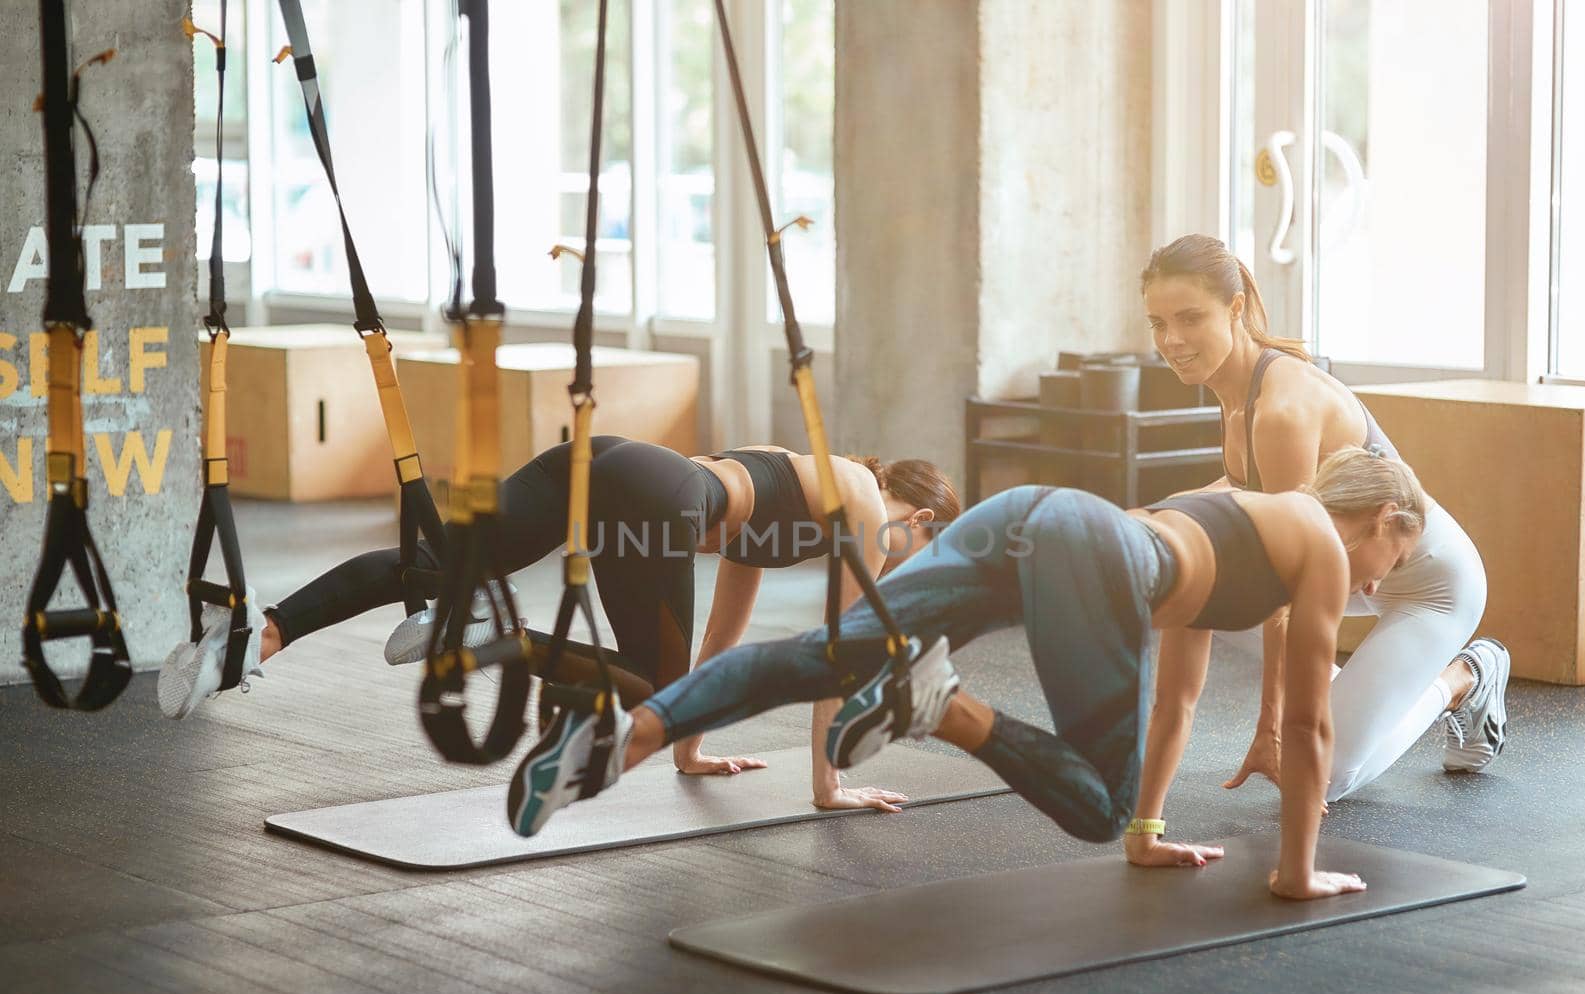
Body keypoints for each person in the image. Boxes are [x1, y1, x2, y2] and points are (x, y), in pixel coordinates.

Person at [509, 447, 1427, 900]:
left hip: (1033, 511)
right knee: (1091, 811)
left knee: (822, 654)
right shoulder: (1320, 549)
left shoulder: (1242, 506)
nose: (1382, 583)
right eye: (1398, 553)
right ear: (1384, 514)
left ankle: (628, 736)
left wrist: (1151, 830)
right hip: (1094, 551)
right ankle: (941, 705)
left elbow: (1178, 697)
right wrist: (1297, 871)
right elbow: (1311, 726)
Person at [158, 436, 959, 810]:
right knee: (648, 682)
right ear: (918, 516)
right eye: (923, 545)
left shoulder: (804, 488)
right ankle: (493, 636)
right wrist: (829, 789)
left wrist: (692, 751)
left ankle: (253, 637)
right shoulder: (857, 502)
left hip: (607, 461)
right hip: (654, 499)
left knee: (432, 569)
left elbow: (719, 641)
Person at [1140, 234, 1508, 802]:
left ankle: (1461, 679)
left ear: (1235, 309)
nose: (1172, 340)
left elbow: (1285, 579)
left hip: (1427, 582)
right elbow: (1246, 494)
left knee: (1321, 777)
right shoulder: (1233, 389)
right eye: (1158, 323)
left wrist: (1272, 726)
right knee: (1199, 585)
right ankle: (1370, 692)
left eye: (1190, 318)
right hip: (1348, 570)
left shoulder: (1281, 409)